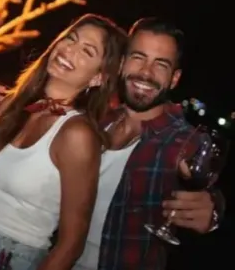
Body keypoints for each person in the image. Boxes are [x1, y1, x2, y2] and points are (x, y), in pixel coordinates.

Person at [0, 14, 128, 270]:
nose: (69, 50)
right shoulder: (16, 104)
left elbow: (72, 243)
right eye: (70, 39)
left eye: (86, 51)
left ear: (98, 77)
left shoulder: (77, 134)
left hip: (9, 257)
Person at [73, 17, 224, 270]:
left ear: (174, 79)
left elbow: (210, 196)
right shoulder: (96, 121)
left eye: (160, 64)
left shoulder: (186, 139)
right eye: (138, 57)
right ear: (121, 64)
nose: (146, 72)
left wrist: (215, 214)